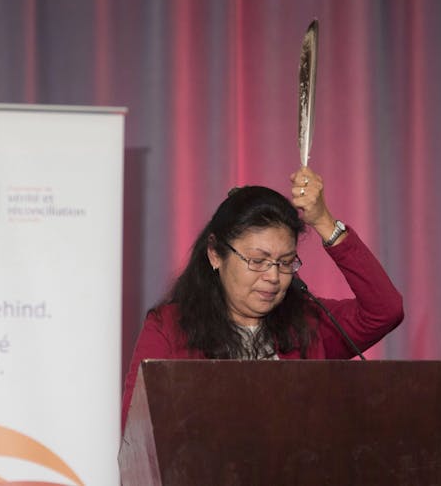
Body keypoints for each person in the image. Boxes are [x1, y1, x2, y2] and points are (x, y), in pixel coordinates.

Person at [121, 166, 404, 428]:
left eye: (285, 262)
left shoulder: (307, 325)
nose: (273, 276)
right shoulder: (170, 328)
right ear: (215, 254)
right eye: (257, 260)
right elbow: (137, 433)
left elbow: (385, 310)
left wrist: (324, 222)